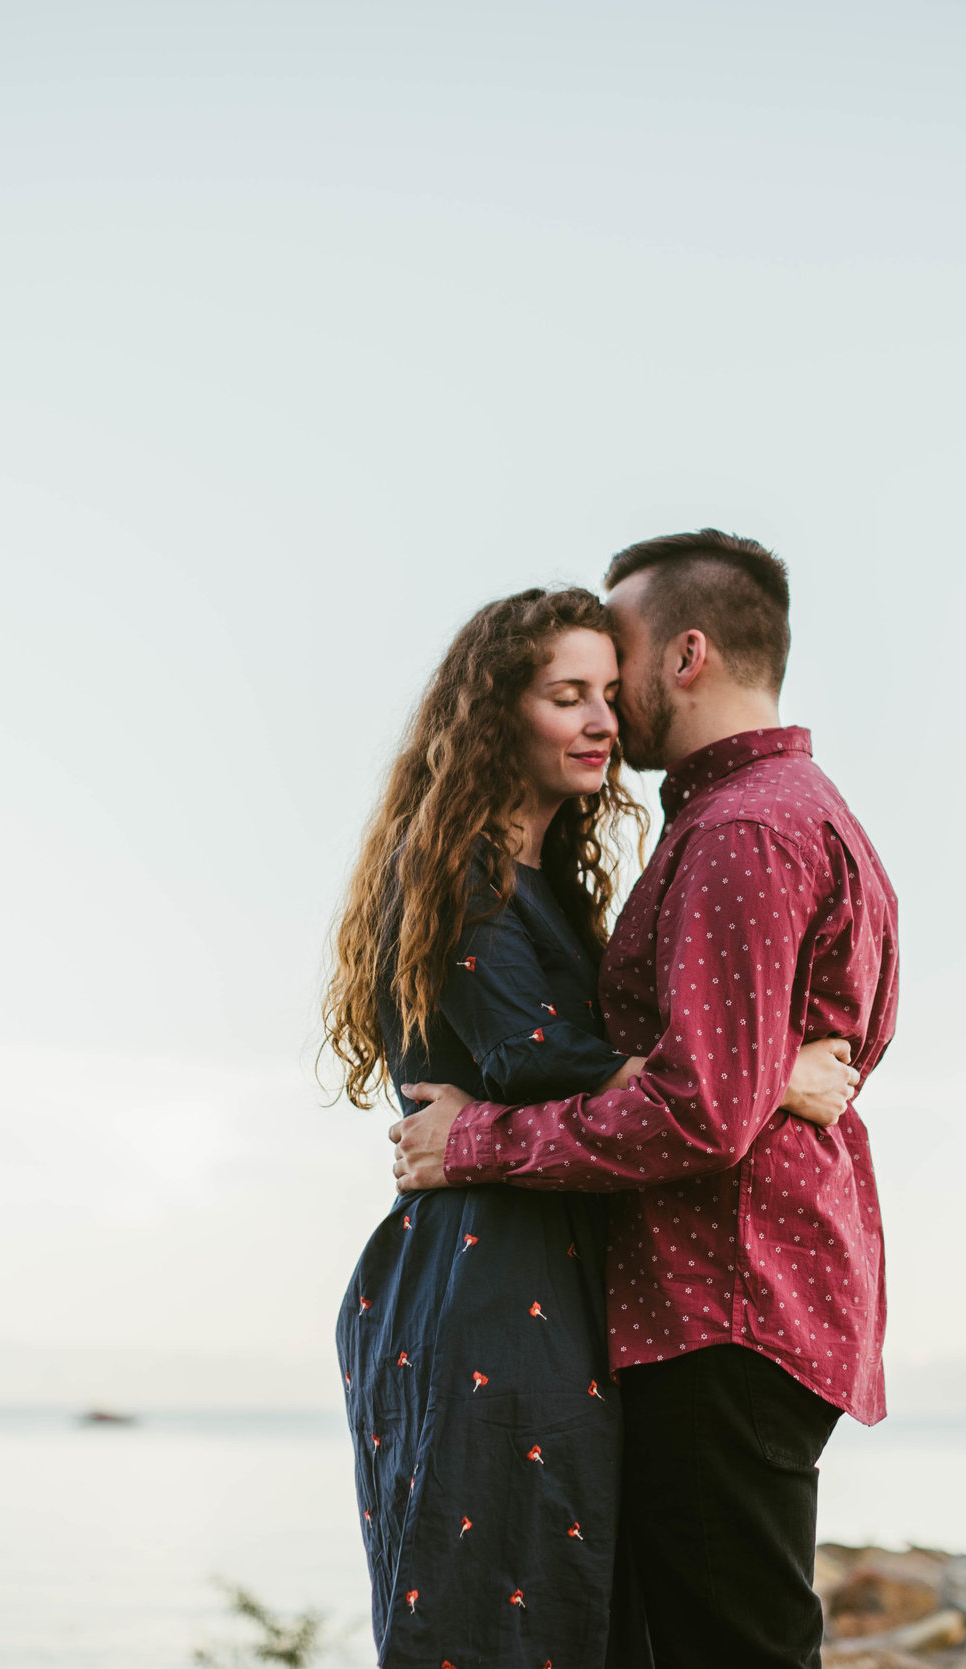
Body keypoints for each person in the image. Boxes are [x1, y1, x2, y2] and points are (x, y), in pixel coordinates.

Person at [324, 584, 862, 1669]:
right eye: (567, 695)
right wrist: (770, 1079)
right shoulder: (458, 873)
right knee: (496, 1612)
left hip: (550, 1267)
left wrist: (736, 1077)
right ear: (491, 716)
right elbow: (541, 1062)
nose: (603, 723)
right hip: (483, 1280)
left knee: (576, 1610)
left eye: (609, 694)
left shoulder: (549, 884)